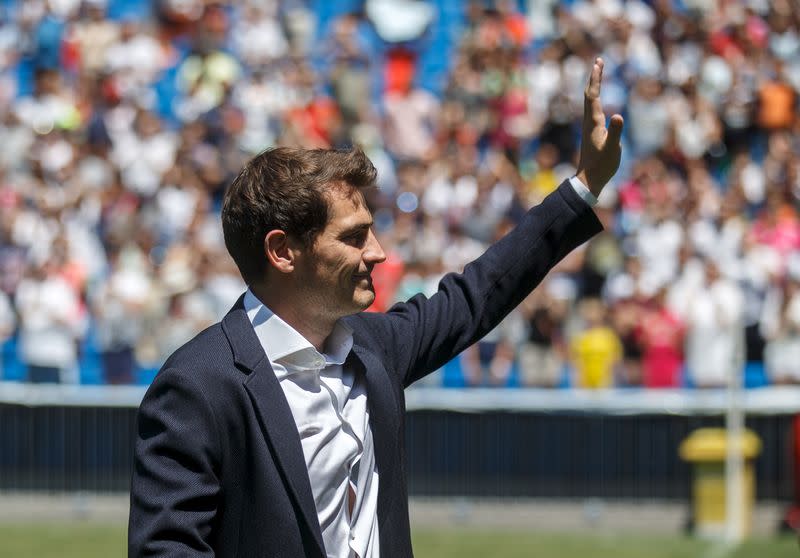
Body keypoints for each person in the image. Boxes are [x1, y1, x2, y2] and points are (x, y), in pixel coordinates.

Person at [128, 57, 623, 557]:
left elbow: (477, 294)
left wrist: (583, 187)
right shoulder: (198, 384)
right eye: (354, 237)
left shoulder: (373, 347)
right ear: (282, 252)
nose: (378, 252)